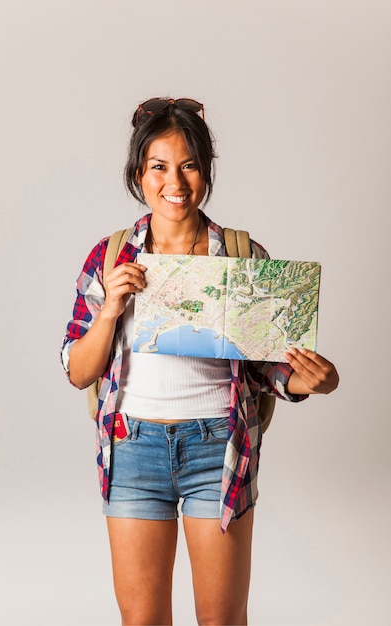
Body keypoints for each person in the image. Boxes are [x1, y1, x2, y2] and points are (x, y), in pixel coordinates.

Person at [61, 97, 339, 626]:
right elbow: (79, 370)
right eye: (159, 166)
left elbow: (264, 366)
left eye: (189, 165)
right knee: (141, 619)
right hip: (133, 448)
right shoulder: (110, 255)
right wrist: (110, 311)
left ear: (206, 172)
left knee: (222, 619)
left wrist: (306, 380)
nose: (176, 182)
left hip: (218, 448)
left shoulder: (241, 255)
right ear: (138, 173)